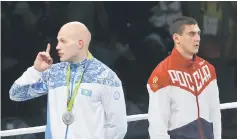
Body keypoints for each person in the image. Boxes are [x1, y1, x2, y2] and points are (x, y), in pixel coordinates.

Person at [9, 21, 127, 139]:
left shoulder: (106, 77)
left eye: (63, 41)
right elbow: (15, 94)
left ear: (80, 44)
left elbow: (117, 126)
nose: (57, 46)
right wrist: (35, 71)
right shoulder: (53, 73)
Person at [147, 16, 221, 139]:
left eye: (198, 33)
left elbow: (215, 112)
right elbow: (157, 125)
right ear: (176, 38)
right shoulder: (161, 74)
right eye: (191, 34)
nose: (197, 39)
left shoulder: (208, 69)